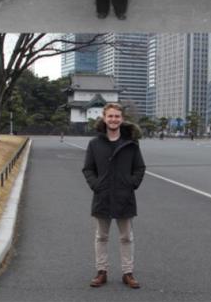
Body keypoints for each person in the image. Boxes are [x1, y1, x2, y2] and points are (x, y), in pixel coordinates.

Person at [82, 103, 146, 289]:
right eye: (110, 116)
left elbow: (139, 168)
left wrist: (131, 184)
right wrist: (96, 185)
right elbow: (88, 169)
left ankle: (128, 272)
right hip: (102, 195)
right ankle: (101, 271)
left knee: (126, 237)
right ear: (104, 118)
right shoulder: (95, 144)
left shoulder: (131, 144)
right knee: (101, 236)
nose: (113, 119)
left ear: (122, 119)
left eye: (117, 116)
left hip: (124, 195)